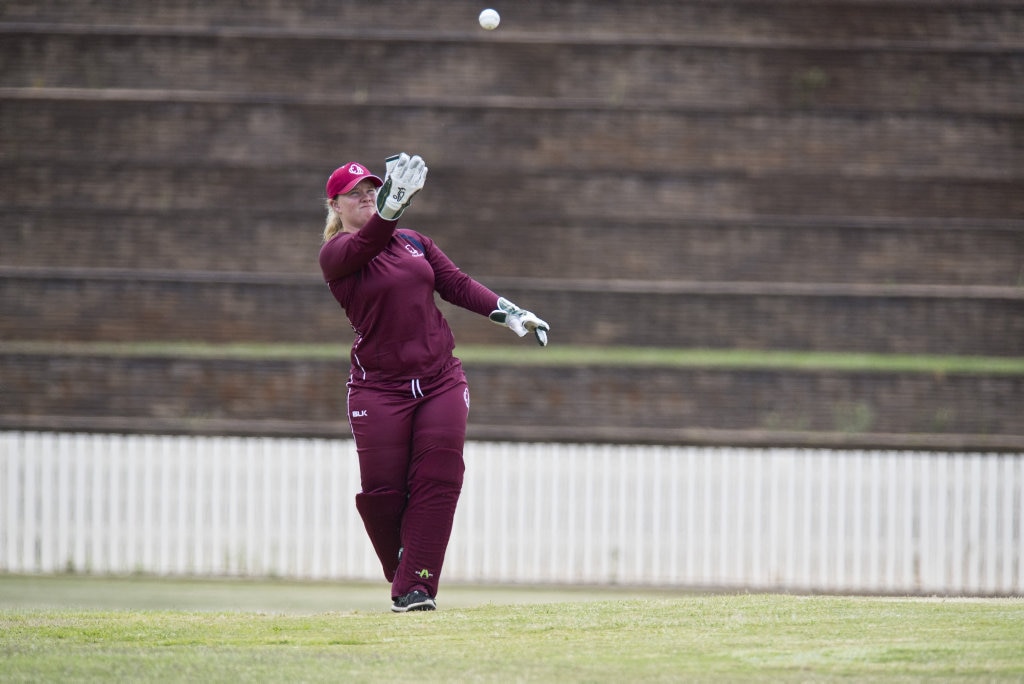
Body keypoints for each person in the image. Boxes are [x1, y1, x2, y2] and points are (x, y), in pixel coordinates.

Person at [318, 153, 549, 612]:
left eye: (372, 190)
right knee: (383, 494)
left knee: (440, 476)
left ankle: (416, 588)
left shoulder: (413, 241)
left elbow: (456, 284)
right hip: (379, 389)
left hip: (440, 379)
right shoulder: (337, 254)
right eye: (355, 194)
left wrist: (511, 313)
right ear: (335, 206)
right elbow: (369, 242)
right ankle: (405, 568)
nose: (366, 197)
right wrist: (390, 208)